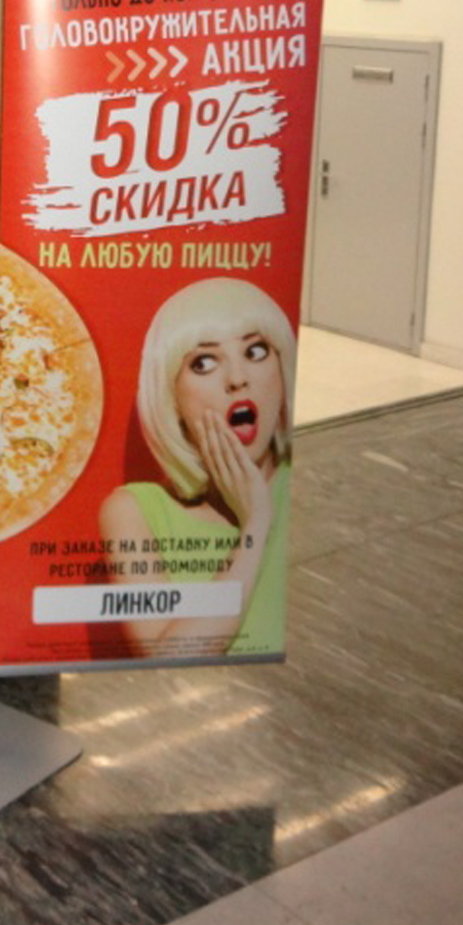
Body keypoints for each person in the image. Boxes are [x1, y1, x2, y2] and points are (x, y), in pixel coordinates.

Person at [99, 277, 295, 658]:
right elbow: (167, 657)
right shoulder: (132, 511)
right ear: (171, 398)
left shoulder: (304, 484)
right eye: (203, 362)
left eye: (255, 351)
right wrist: (255, 524)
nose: (237, 379)